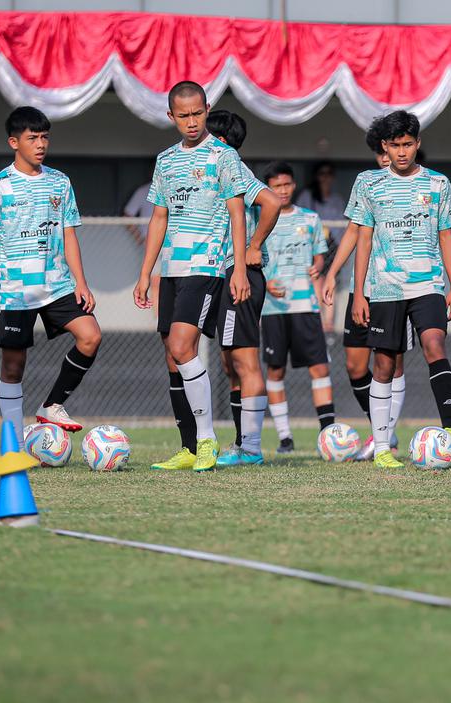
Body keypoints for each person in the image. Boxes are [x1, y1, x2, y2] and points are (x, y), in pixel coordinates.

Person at [133, 81, 251, 472]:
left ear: (207, 108)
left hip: (208, 267)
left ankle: (206, 440)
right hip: (173, 270)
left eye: (197, 113)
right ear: (171, 117)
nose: (191, 122)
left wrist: (238, 267)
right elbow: (159, 217)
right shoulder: (165, 160)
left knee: (184, 346)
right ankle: (187, 447)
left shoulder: (224, 156)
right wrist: (146, 272)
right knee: (172, 355)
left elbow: (237, 212)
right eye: (183, 115)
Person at [349, 110, 451, 468]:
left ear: (418, 144)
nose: (402, 152)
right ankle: (382, 446)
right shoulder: (368, 183)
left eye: (408, 144)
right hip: (384, 289)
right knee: (383, 364)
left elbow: (447, 236)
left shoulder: (438, 184)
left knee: (434, 343)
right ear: (385, 146)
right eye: (395, 145)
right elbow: (363, 240)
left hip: (427, 284)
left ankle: (450, 429)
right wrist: (358, 292)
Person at [0, 107, 101, 434]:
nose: (40, 144)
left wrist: (81, 282)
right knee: (13, 365)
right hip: (17, 291)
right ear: (13, 142)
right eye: (32, 138)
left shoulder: (60, 182)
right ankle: (13, 441)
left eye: (44, 137)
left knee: (90, 336)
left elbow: (69, 234)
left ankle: (51, 406)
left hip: (58, 285)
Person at [320, 118, 407, 459]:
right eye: (384, 149)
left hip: (398, 290)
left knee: (392, 363)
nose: (390, 156)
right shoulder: (369, 185)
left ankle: (383, 437)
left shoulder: (417, 185)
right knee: (356, 365)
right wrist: (332, 272)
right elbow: (354, 231)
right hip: (363, 288)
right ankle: (382, 428)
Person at [201, 109, 280, 469]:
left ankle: (250, 447)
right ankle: (241, 442)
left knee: (245, 360)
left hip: (241, 275)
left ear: (219, 141)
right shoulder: (213, 172)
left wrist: (253, 246)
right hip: (221, 275)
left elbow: (271, 202)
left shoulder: (233, 167)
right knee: (229, 360)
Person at [259, 161, 335, 453]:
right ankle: (285, 438)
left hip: (306, 305)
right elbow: (250, 256)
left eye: (287, 184)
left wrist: (317, 266)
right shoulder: (259, 218)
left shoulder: (310, 218)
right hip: (273, 308)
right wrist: (265, 284)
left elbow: (319, 255)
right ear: (269, 188)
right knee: (276, 371)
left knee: (319, 368)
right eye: (277, 186)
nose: (283, 190)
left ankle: (328, 435)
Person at [297, 161, 346, 331]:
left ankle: (329, 323)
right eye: (322, 174)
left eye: (329, 174)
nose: (325, 178)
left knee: (330, 281)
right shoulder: (307, 196)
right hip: (312, 244)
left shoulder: (336, 199)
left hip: (332, 245)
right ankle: (318, 319)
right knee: (316, 281)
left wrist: (340, 251)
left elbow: (342, 227)